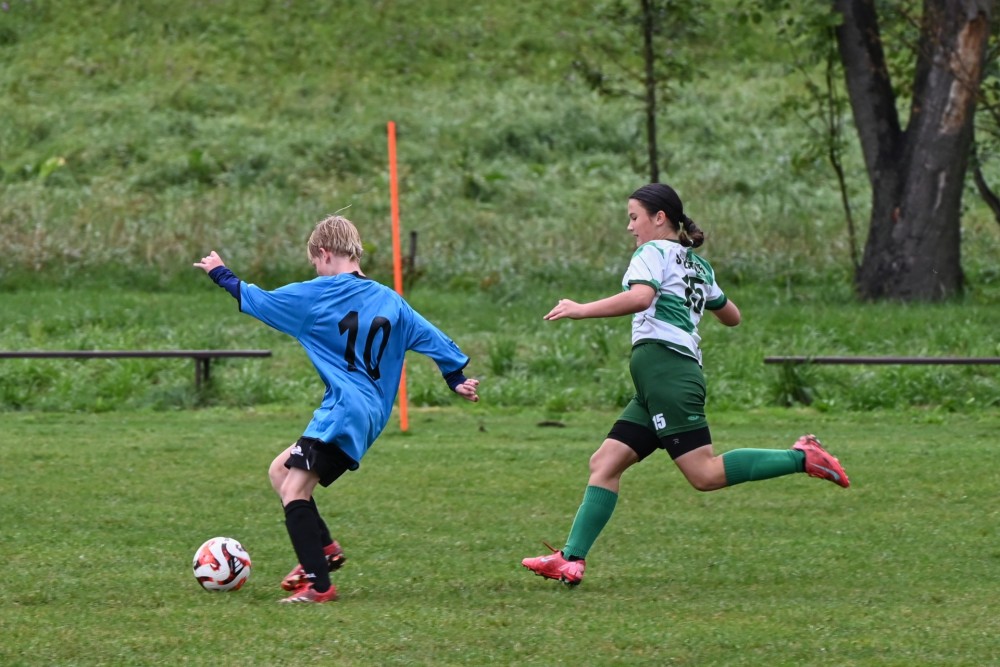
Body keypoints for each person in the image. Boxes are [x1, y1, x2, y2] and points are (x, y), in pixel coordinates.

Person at [521, 183, 849, 587]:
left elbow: (641, 298)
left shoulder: (652, 252)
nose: (630, 227)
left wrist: (581, 309)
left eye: (634, 217)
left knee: (704, 474)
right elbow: (732, 316)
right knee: (604, 463)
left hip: (668, 375)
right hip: (658, 381)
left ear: (660, 218)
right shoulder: (697, 265)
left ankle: (802, 457)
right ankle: (570, 559)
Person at [194, 214, 480, 603]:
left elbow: (259, 300)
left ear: (325, 253)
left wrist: (220, 273)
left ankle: (319, 585)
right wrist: (454, 377)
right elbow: (434, 338)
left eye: (315, 262)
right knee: (280, 470)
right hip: (370, 416)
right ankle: (325, 549)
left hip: (343, 411)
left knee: (294, 489)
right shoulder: (391, 300)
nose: (316, 270)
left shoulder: (319, 294)